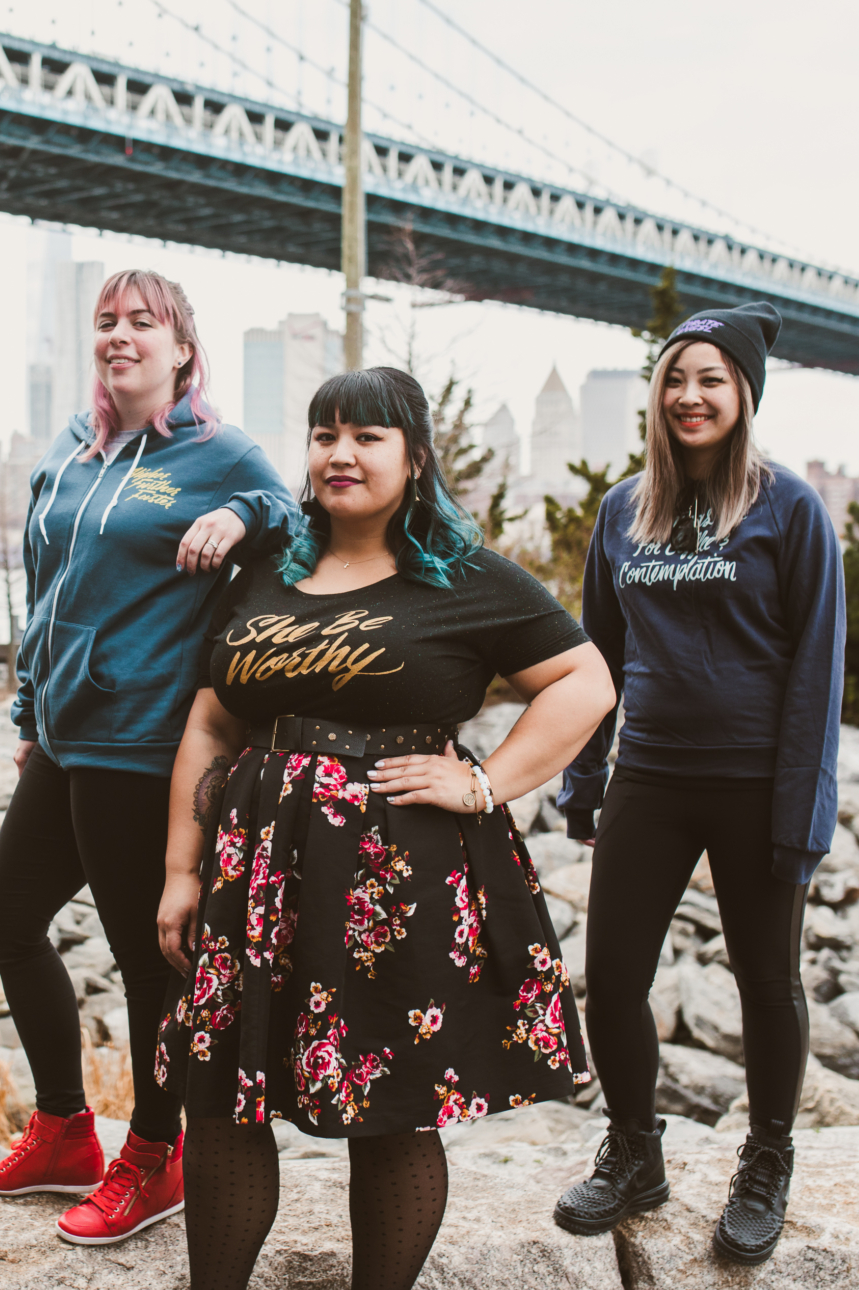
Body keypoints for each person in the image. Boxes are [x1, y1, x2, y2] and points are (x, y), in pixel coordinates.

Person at [154, 366, 613, 1290]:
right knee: (223, 1101)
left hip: (395, 880)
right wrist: (180, 869)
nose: (341, 454)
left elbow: (587, 684)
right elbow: (210, 720)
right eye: (325, 434)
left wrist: (485, 782)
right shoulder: (263, 572)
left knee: (394, 1104)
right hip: (258, 871)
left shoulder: (464, 579)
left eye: (367, 436)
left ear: (414, 457)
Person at [0, 269, 299, 1245]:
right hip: (66, 739)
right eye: (106, 322)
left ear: (183, 350)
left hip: (145, 744)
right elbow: (46, 583)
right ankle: (64, 1126)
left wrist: (241, 517)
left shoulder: (218, 451)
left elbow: (304, 524)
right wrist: (30, 710)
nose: (119, 337)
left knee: (145, 963)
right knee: (6, 915)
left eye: (142, 323)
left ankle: (156, 1157)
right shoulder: (72, 451)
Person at [552, 303, 844, 1265]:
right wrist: (585, 776)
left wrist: (803, 811)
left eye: (712, 379)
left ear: (744, 396)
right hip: (653, 775)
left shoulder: (790, 509)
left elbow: (816, 672)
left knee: (766, 981)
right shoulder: (623, 510)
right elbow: (597, 655)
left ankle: (767, 1161)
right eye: (676, 378)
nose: (690, 395)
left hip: (757, 783)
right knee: (613, 980)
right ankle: (636, 1151)